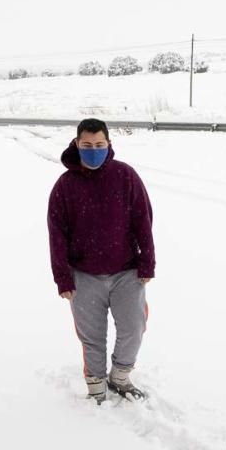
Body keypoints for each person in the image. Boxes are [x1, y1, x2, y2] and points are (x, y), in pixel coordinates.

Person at [47, 118, 155, 404]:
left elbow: (143, 221)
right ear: (77, 145)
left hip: (126, 271)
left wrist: (148, 263)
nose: (93, 150)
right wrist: (63, 278)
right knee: (92, 336)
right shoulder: (65, 186)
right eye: (87, 145)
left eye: (99, 145)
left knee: (134, 326)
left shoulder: (125, 176)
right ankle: (95, 383)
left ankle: (120, 375)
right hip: (83, 275)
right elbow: (56, 234)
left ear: (109, 144)